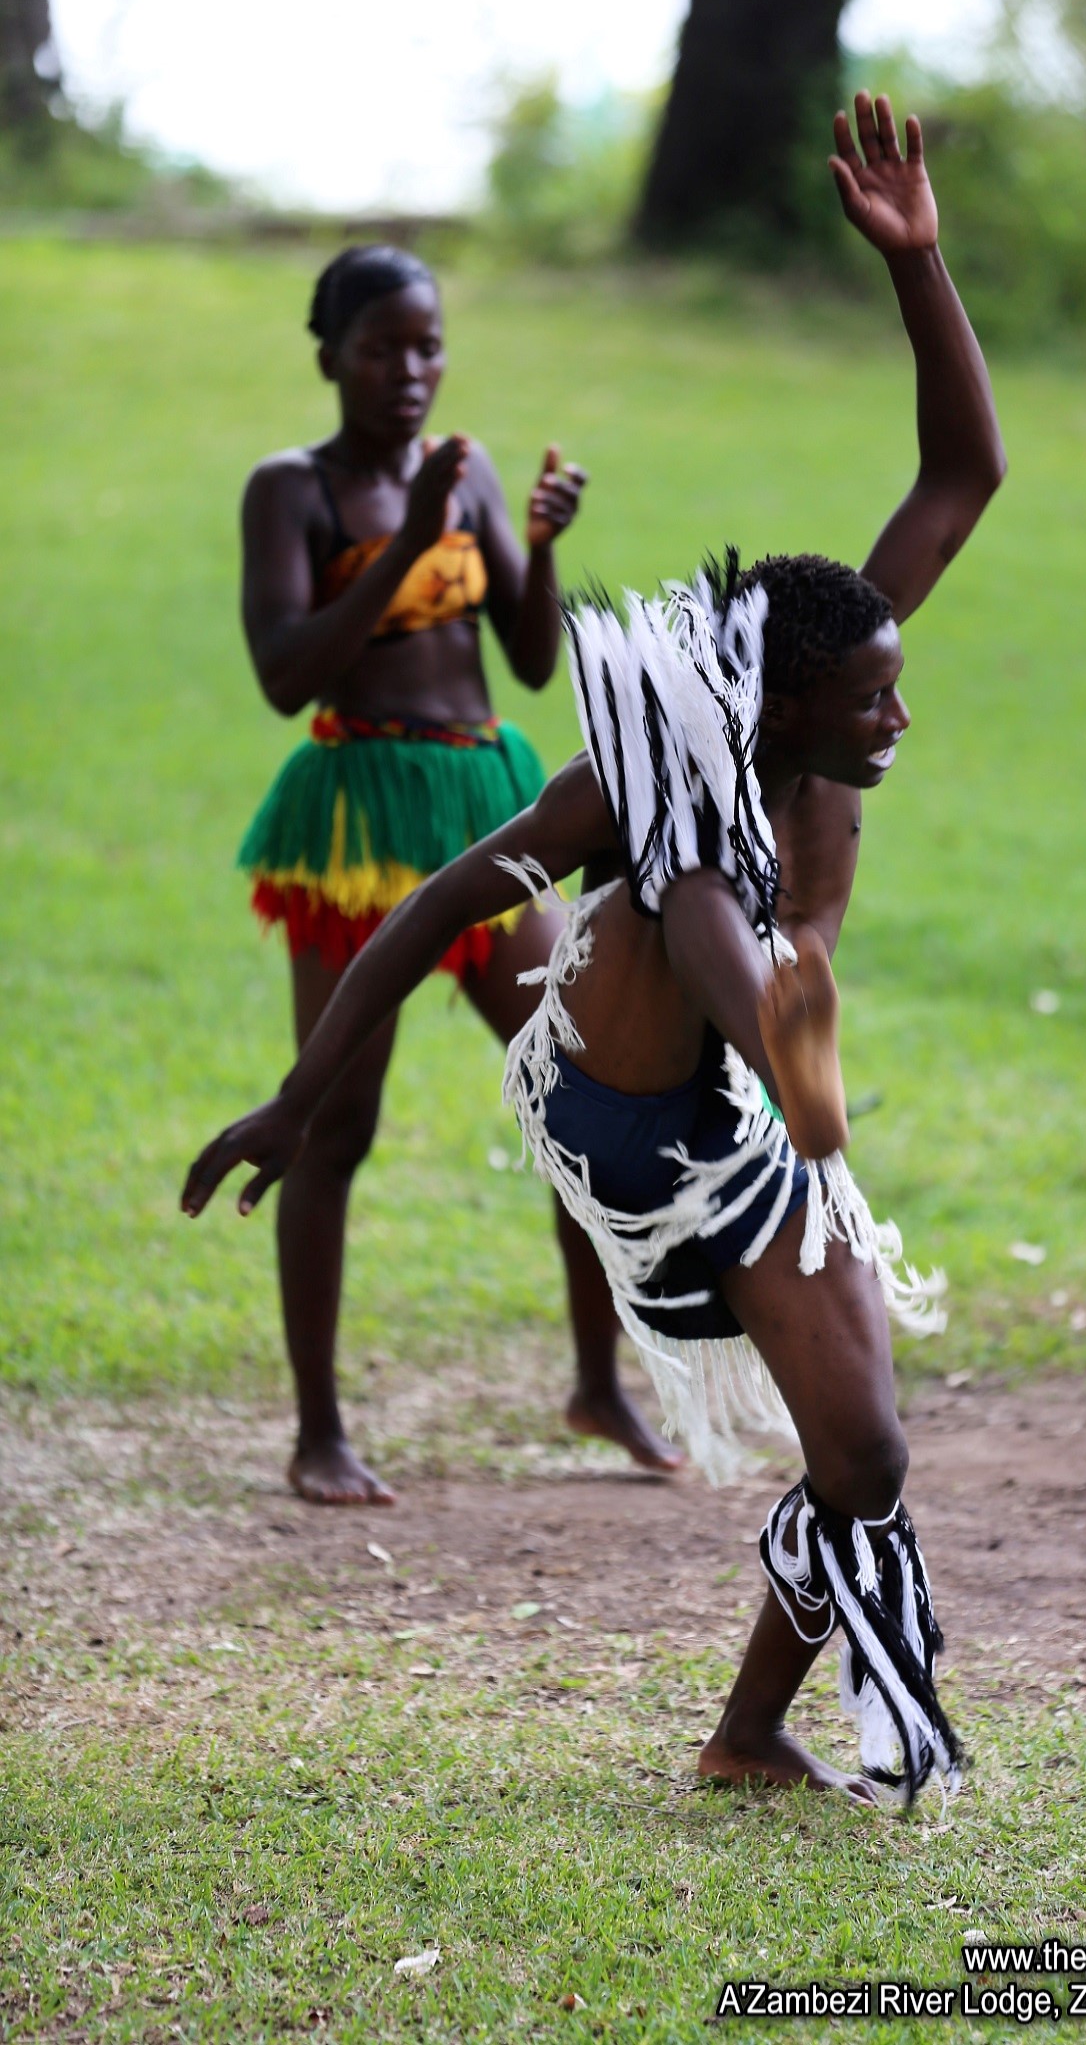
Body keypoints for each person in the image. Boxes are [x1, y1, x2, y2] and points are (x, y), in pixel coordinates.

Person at [187, 96, 1006, 1802]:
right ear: (784, 712)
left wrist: (922, 268)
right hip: (625, 1104)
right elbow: (436, 905)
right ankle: (773, 1049)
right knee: (702, 903)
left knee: (865, 1449)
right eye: (877, 703)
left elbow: (960, 474)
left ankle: (744, 1731)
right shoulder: (651, 796)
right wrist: (296, 1094)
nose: (904, 713)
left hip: (748, 1109)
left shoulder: (827, 658)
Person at [235, 240, 678, 1505]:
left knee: (584, 1093)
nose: (411, 371)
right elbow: (287, 675)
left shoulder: (466, 467)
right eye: (383, 349)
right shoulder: (294, 491)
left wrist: (532, 544)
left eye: (427, 346)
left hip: (484, 800)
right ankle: (319, 1430)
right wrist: (410, 538)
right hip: (361, 816)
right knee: (331, 1124)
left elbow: (531, 663)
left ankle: (598, 1384)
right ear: (329, 357)